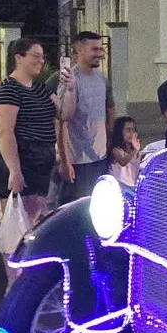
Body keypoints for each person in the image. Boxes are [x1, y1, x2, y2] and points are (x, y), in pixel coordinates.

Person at [0, 37, 74, 249]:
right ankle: (14, 277)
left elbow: (64, 114)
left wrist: (70, 89)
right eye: (35, 56)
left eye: (42, 57)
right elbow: (5, 132)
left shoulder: (40, 89)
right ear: (18, 57)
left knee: (34, 221)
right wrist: (14, 171)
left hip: (40, 161)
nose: (40, 61)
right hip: (22, 159)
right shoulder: (9, 90)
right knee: (15, 225)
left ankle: (27, 270)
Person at [54, 31, 115, 204]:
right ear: (79, 50)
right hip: (78, 162)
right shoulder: (68, 79)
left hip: (100, 158)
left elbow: (110, 108)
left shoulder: (102, 79)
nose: (100, 54)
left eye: (100, 49)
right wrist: (65, 161)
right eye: (94, 49)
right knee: (75, 211)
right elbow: (62, 119)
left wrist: (110, 141)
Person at [108, 116, 140, 188]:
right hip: (119, 187)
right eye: (128, 130)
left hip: (133, 186)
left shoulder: (135, 150)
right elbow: (123, 162)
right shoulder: (116, 150)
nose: (132, 133)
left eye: (133, 130)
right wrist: (135, 150)